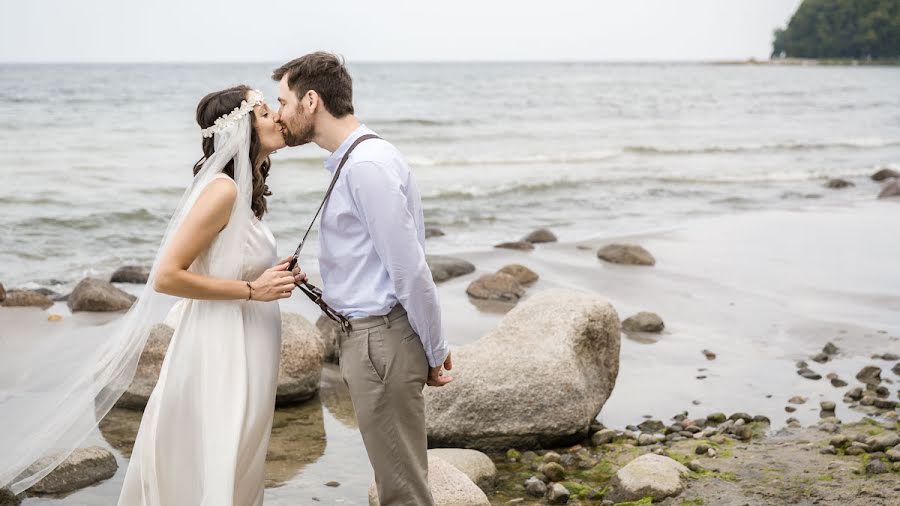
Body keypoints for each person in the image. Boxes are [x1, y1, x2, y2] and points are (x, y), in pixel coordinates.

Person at [272, 52, 453, 506]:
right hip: (374, 338)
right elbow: (379, 260)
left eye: (283, 101)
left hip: (380, 340)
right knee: (400, 480)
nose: (278, 114)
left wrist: (435, 349)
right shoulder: (360, 159)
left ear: (310, 101)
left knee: (402, 490)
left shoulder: (366, 166)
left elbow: (410, 270)